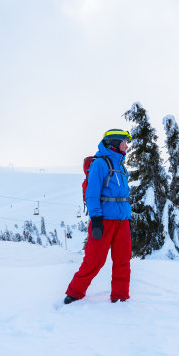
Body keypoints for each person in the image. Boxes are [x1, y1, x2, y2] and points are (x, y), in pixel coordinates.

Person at [63, 129, 132, 304]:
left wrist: (127, 219)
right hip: (104, 220)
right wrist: (96, 219)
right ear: (115, 143)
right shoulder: (100, 164)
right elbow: (92, 194)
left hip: (122, 221)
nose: (127, 145)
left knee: (123, 260)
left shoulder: (122, 167)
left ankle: (120, 296)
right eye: (124, 141)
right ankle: (74, 293)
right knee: (94, 259)